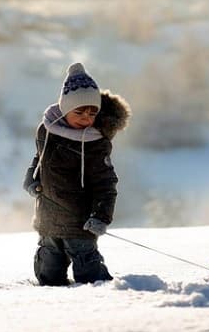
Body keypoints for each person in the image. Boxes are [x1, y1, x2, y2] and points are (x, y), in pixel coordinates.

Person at [23, 62, 131, 285]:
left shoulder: (95, 143)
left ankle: (99, 301)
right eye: (79, 111)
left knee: (89, 273)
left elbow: (106, 184)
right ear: (64, 108)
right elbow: (39, 158)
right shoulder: (47, 129)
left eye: (92, 112)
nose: (86, 117)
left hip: (80, 223)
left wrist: (101, 216)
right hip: (48, 217)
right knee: (48, 273)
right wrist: (31, 178)